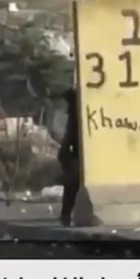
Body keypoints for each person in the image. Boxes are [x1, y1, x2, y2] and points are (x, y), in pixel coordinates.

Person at [58, 87, 80, 227]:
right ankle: (66, 215)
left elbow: (70, 133)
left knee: (72, 184)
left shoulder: (75, 112)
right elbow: (70, 133)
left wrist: (64, 150)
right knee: (72, 184)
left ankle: (66, 215)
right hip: (75, 152)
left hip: (76, 152)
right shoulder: (75, 113)